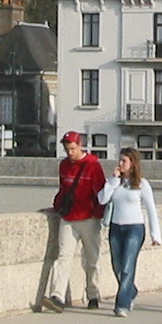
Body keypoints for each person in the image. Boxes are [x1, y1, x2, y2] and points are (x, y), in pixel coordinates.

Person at [37, 131, 106, 312]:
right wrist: (56, 207)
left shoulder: (93, 165)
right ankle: (57, 296)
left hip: (89, 218)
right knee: (63, 256)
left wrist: (98, 214)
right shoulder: (64, 165)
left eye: (73, 149)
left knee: (91, 259)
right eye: (67, 149)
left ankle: (93, 294)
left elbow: (101, 193)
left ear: (80, 145)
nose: (70, 153)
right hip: (68, 217)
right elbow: (63, 189)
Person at [97, 146, 160, 318]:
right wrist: (112, 181)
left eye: (124, 161)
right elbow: (102, 199)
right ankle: (131, 291)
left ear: (133, 163)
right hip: (116, 227)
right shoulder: (115, 182)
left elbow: (151, 209)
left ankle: (122, 305)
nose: (120, 164)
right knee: (117, 266)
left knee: (127, 267)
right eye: (119, 160)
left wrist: (156, 235)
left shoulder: (141, 184)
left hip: (135, 228)